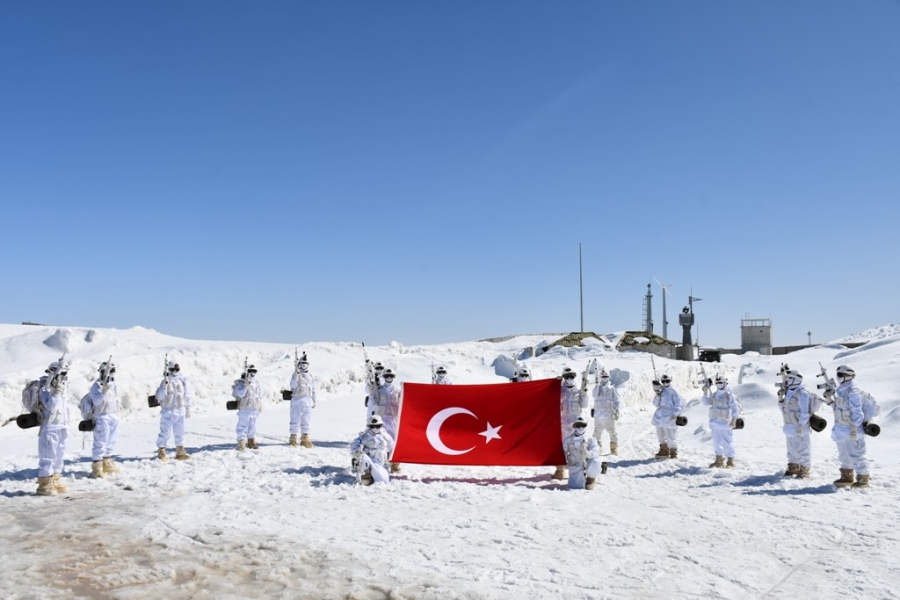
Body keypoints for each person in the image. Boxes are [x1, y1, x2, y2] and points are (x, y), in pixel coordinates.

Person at [827, 364, 870, 488]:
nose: (838, 377)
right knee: (844, 454)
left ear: (848, 376)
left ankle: (863, 478)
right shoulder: (841, 390)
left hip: (851, 429)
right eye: (838, 374)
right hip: (841, 429)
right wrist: (829, 400)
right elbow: (838, 409)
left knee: (856, 454)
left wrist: (855, 428)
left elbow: (857, 411)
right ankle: (846, 476)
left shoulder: (853, 391)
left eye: (840, 375)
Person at [36, 361, 71, 496]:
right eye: (61, 373)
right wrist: (56, 393)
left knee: (59, 455)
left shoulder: (63, 386)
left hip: (61, 424)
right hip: (50, 426)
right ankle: (44, 483)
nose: (63, 376)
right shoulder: (45, 387)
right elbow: (50, 407)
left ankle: (55, 479)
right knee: (48, 455)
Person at [85, 360, 122, 478]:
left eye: (112, 371)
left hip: (113, 415)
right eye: (108, 371)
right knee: (101, 441)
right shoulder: (96, 386)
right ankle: (97, 465)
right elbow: (97, 401)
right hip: (102, 416)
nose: (110, 373)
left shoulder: (113, 385)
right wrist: (104, 390)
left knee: (111, 441)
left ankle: (106, 461)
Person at [553, 367, 588, 480]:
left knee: (577, 448)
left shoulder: (579, 392)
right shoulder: (559, 391)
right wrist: (554, 383)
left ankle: (579, 470)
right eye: (567, 377)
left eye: (571, 377)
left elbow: (585, 405)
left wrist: (585, 393)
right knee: (561, 449)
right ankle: (560, 471)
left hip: (576, 426)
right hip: (563, 425)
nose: (569, 379)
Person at [155, 361, 193, 461]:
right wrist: (164, 386)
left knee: (180, 432)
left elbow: (187, 394)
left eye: (177, 369)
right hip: (168, 411)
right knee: (165, 433)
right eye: (172, 369)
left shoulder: (182, 381)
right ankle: (162, 452)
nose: (175, 371)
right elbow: (159, 397)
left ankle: (180, 452)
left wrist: (188, 407)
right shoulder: (165, 382)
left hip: (180, 411)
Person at [702, 374, 742, 468]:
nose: (719, 384)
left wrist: (733, 420)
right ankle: (719, 460)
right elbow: (706, 403)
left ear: (725, 383)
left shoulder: (729, 395)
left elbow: (735, 409)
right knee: (716, 442)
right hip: (715, 422)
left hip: (725, 423)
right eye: (717, 383)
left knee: (727, 442)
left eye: (720, 382)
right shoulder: (715, 394)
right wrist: (705, 392)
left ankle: (730, 461)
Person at [779, 369, 812, 478]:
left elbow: (804, 411)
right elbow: (783, 408)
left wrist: (801, 425)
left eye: (790, 378)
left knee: (802, 448)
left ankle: (805, 469)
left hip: (799, 426)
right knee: (791, 449)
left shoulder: (802, 393)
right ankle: (793, 466)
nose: (788, 381)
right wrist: (780, 398)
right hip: (789, 426)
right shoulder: (789, 392)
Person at [350, 415, 396, 485]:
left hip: (380, 463)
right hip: (368, 461)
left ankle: (376, 474)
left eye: (378, 426)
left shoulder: (386, 436)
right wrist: (357, 452)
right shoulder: (364, 436)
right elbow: (354, 447)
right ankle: (366, 477)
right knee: (363, 458)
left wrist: (392, 461)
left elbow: (393, 447)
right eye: (372, 426)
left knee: (383, 480)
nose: (375, 428)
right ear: (369, 426)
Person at [371, 368, 402, 473]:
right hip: (382, 418)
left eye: (391, 376)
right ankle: (381, 464)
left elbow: (403, 402)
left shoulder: (398, 390)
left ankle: (395, 465)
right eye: (387, 376)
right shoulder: (379, 389)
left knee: (394, 442)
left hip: (393, 418)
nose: (389, 378)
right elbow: (374, 402)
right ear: (384, 377)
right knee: (381, 441)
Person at [564, 416, 602, 490]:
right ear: (574, 426)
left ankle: (591, 479)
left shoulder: (591, 439)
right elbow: (562, 451)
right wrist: (563, 461)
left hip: (586, 463)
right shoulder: (567, 440)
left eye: (583, 425)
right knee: (575, 486)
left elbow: (595, 450)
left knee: (595, 460)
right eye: (578, 425)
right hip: (574, 465)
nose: (581, 428)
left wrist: (588, 453)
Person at [651, 374, 683, 459]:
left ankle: (673, 451)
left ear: (670, 381)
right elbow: (655, 404)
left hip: (670, 415)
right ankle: (663, 450)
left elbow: (678, 404)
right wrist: (657, 394)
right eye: (663, 381)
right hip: (660, 415)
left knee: (670, 434)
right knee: (660, 433)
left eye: (667, 381)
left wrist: (675, 414)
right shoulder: (661, 391)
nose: (665, 383)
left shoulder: (674, 391)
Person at [233, 364, 264, 451]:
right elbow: (240, 394)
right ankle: (241, 442)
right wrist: (245, 385)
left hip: (254, 408)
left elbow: (260, 393)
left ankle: (251, 442)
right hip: (245, 408)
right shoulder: (241, 382)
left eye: (254, 371)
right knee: (242, 426)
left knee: (252, 426)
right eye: (251, 371)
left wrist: (259, 404)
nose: (253, 373)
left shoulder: (256, 382)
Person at [288, 352, 317, 448]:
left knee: (306, 420)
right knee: (295, 420)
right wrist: (296, 376)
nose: (304, 365)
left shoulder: (310, 376)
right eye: (302, 363)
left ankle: (305, 439)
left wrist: (314, 400)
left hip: (307, 401)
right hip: (297, 400)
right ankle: (293, 439)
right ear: (299, 364)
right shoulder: (296, 375)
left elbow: (313, 389)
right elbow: (293, 386)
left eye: (306, 363)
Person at [592, 368, 621, 456]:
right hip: (598, 415)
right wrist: (596, 386)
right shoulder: (597, 388)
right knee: (597, 432)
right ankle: (597, 447)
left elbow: (617, 400)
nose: (604, 378)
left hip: (609, 414)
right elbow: (594, 395)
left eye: (606, 376)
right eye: (603, 376)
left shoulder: (612, 389)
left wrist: (617, 410)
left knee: (612, 431)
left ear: (608, 377)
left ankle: (614, 448)